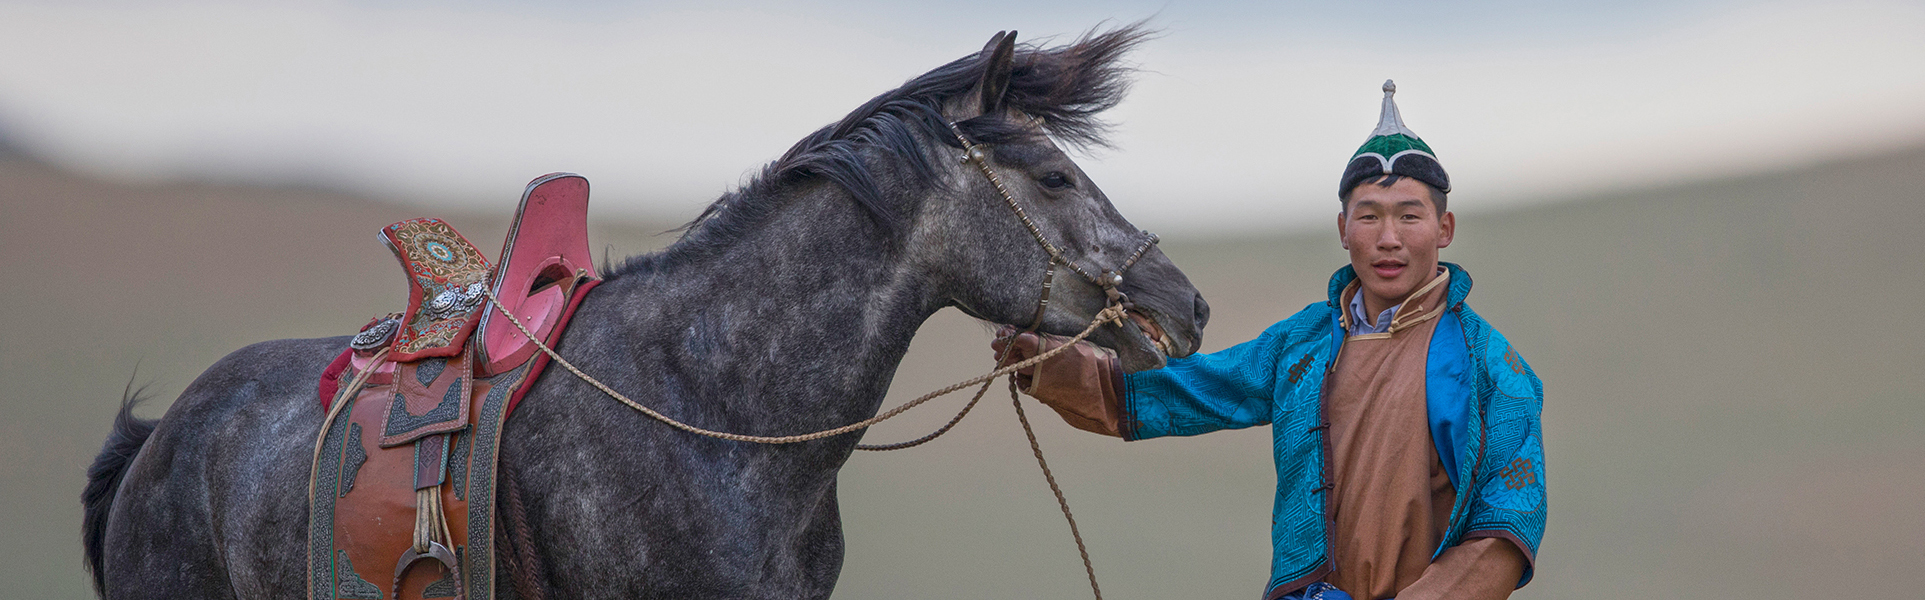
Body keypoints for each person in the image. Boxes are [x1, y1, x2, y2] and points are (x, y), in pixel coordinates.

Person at [995, 81, 1545, 600]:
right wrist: (1056, 368)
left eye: (1410, 217)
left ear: (1444, 229)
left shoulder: (1495, 367)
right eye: (1369, 217)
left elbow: (1507, 527)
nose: (1389, 239)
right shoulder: (1302, 343)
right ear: (1343, 230)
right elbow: (1192, 389)